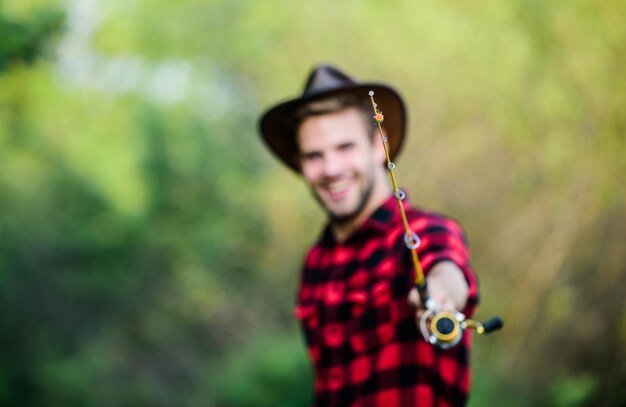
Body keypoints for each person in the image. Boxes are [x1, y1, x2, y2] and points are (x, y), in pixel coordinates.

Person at [258, 64, 479, 407]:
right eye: (314, 156)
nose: (331, 169)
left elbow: (447, 270)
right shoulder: (315, 263)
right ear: (301, 165)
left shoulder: (429, 231)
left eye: (345, 147)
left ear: (379, 147)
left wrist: (438, 297)